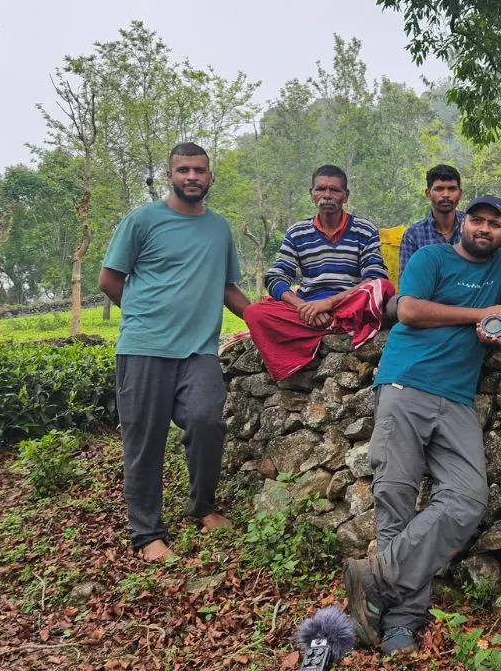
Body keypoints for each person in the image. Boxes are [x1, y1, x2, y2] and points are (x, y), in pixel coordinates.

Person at [343, 195, 501, 656]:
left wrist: (499, 321)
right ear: (462, 223)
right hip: (406, 385)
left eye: (494, 223)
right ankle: (401, 622)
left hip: (458, 398)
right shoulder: (429, 257)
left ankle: (375, 577)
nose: (484, 229)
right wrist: (479, 314)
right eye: (476, 220)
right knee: (395, 497)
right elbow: (410, 310)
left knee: (467, 498)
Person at [97, 142, 252, 563]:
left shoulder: (219, 229)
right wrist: (146, 315)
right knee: (144, 442)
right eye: (183, 169)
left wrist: (260, 319)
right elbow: (109, 280)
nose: (192, 177)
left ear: (210, 177)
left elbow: (226, 288)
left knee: (207, 421)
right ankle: (148, 534)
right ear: (171, 175)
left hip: (198, 351)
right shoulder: (143, 220)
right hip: (144, 349)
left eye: (199, 170)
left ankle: (202, 506)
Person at [242, 165, 392, 380]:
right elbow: (276, 276)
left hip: (348, 304)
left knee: (383, 286)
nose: (327, 195)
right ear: (311, 194)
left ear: (345, 196)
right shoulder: (297, 232)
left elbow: (375, 276)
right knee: (254, 312)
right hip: (307, 309)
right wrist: (303, 307)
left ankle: (333, 322)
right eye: (321, 189)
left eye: (335, 190)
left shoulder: (364, 229)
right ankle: (333, 326)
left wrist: (328, 304)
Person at [397, 164, 465, 275]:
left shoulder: (472, 227)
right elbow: (406, 282)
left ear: (460, 193)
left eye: (452, 189)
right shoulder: (413, 235)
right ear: (428, 194)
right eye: (439, 189)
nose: (446, 195)